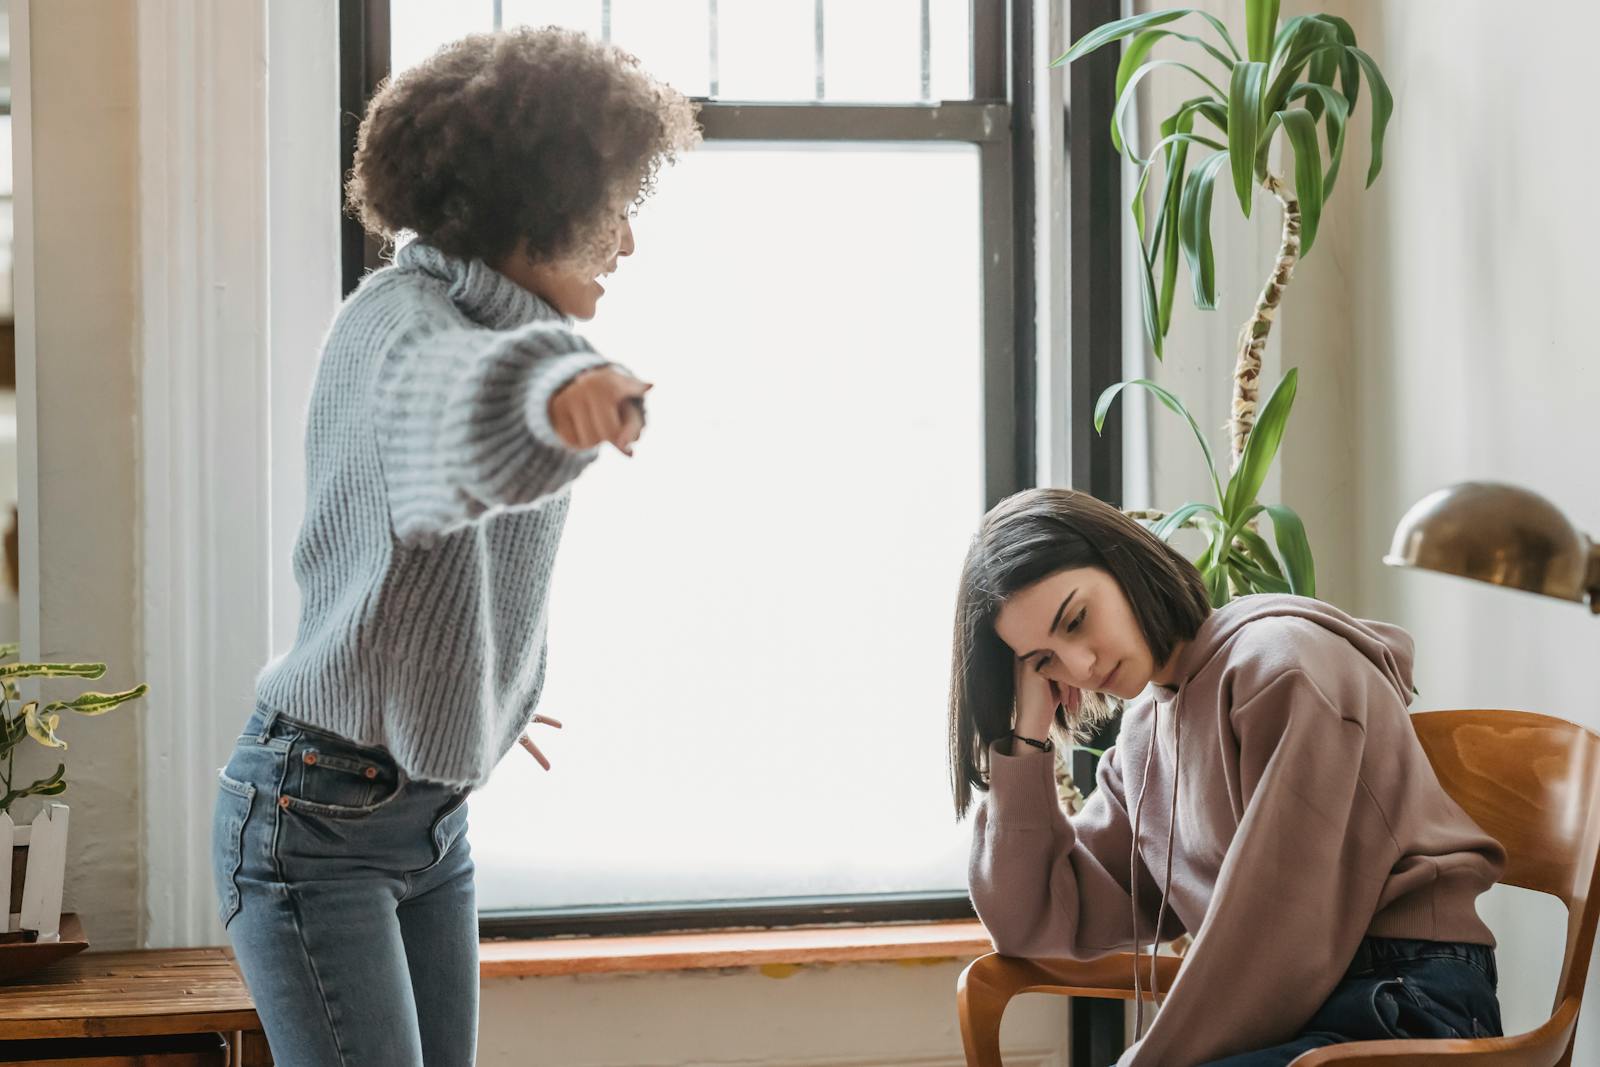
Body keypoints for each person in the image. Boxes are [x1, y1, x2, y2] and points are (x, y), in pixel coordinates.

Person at [209, 28, 698, 1066]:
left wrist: (466, 682)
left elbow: (424, 549)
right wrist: (558, 400)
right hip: (316, 821)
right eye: (614, 210)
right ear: (533, 210)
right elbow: (456, 408)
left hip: (425, 817)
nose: (626, 244)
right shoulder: (403, 323)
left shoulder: (485, 317)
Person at [949, 487, 1506, 1066]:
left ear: (1122, 559)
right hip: (1296, 1012)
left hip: (1403, 999)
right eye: (1045, 661)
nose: (1081, 665)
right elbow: (1032, 923)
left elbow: (1282, 938)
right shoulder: (1145, 734)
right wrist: (1026, 741)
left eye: (1077, 620)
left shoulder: (1282, 667)